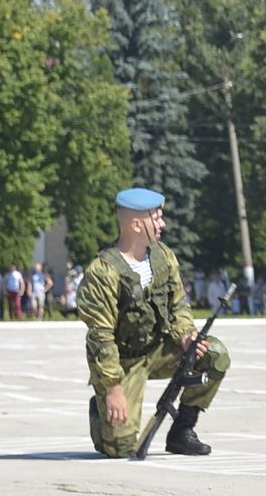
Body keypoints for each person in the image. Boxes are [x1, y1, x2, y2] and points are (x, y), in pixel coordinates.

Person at [77, 187, 229, 458]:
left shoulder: (163, 257)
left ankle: (182, 430)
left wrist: (186, 335)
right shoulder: (103, 271)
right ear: (137, 225)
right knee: (120, 449)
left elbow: (179, 305)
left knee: (214, 354)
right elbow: (101, 336)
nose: (163, 224)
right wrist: (112, 388)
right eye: (156, 218)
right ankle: (101, 411)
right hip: (123, 364)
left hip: (159, 351)